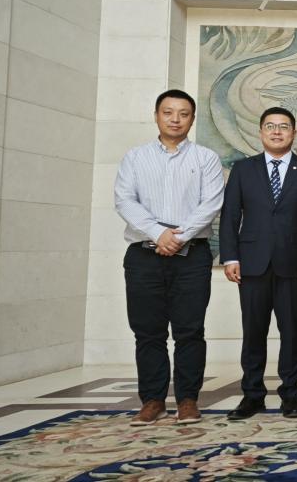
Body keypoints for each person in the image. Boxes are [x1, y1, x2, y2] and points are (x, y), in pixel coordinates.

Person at [114, 89, 224, 426]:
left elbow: (211, 202)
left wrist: (177, 236)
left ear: (192, 119)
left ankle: (188, 400)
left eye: (183, 114)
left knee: (190, 330)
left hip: (192, 256)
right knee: (148, 332)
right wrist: (157, 233)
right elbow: (124, 200)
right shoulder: (135, 157)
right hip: (143, 256)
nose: (175, 119)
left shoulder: (206, 158)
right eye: (168, 112)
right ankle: (153, 400)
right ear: (156, 115)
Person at [219, 106, 297, 420]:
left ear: (293, 133)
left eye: (283, 126)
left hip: (293, 265)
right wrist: (230, 257)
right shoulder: (243, 169)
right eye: (270, 126)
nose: (277, 132)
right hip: (252, 264)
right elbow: (230, 216)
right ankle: (252, 395)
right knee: (253, 332)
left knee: (292, 332)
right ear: (260, 132)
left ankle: (291, 395)